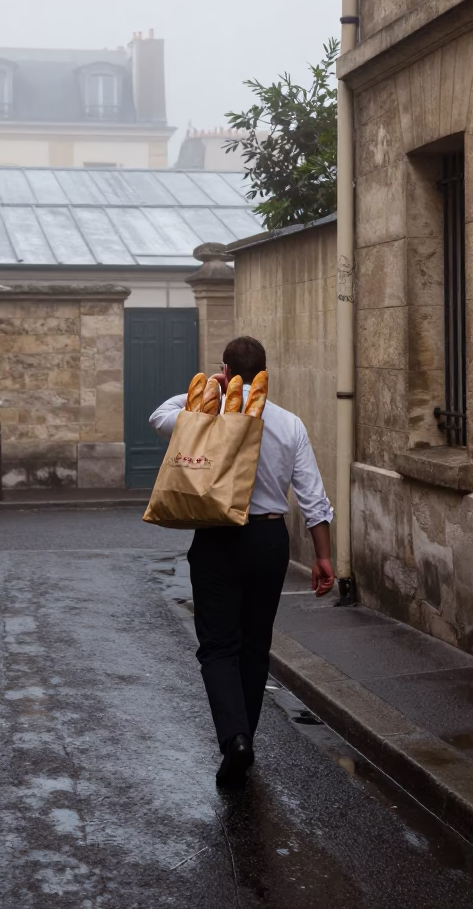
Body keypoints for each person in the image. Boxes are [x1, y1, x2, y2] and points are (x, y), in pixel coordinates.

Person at [149, 335, 335, 787]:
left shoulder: (206, 416)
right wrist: (324, 556)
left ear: (227, 370)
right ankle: (245, 737)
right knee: (255, 645)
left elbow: (159, 416)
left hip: (217, 539)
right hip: (269, 541)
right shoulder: (289, 423)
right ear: (265, 372)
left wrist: (210, 387)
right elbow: (312, 497)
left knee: (218, 646)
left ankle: (235, 739)